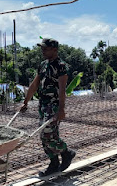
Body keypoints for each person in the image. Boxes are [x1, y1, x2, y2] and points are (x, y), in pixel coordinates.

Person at [20, 38, 76, 177]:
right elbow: (34, 85)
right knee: (44, 135)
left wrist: (61, 110)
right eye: (42, 48)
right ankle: (54, 162)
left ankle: (66, 152)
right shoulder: (43, 65)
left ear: (55, 50)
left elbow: (62, 89)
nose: (42, 51)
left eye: (46, 48)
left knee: (47, 134)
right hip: (43, 105)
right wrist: (25, 101)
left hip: (54, 105)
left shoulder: (61, 66)